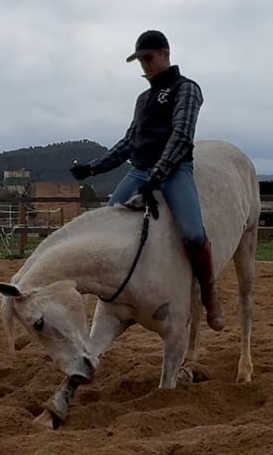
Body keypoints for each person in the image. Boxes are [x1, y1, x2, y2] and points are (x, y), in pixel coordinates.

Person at [69, 30, 224, 331]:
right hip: (140, 170)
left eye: (149, 58)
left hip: (175, 170)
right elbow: (130, 141)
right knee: (107, 222)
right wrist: (93, 169)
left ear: (166, 54)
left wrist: (157, 177)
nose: (145, 65)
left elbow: (181, 136)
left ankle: (209, 293)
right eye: (140, 60)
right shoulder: (144, 98)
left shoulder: (186, 89)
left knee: (193, 232)